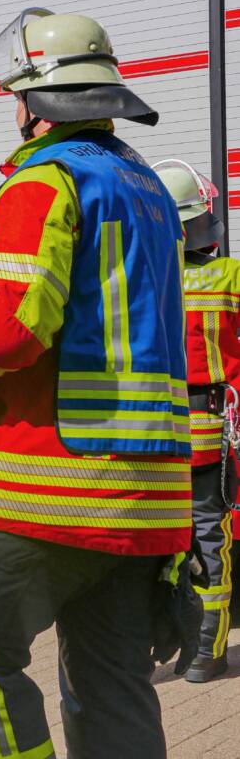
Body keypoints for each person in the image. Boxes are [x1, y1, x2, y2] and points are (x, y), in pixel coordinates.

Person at [0, 9, 193, 759]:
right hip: (144, 494)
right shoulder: (146, 185)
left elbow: (8, 330)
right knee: (111, 683)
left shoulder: (41, 181)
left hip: (46, 487)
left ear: (33, 101)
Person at [154, 159, 240, 682]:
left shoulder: (139, 282)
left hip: (149, 436)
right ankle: (208, 654)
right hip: (208, 434)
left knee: (153, 542)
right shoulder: (230, 278)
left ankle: (154, 646)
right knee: (211, 539)